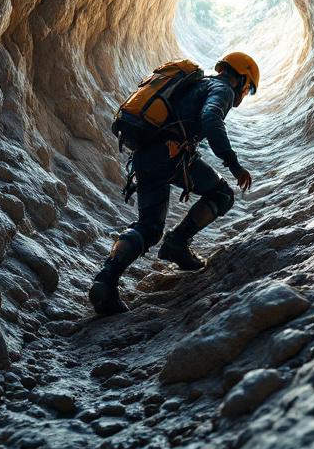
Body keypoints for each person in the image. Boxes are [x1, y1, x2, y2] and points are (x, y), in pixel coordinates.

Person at [88, 52, 260, 315]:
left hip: (146, 155)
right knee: (222, 194)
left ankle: (105, 280)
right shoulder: (221, 88)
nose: (244, 93)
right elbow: (211, 118)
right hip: (173, 157)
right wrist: (233, 163)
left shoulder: (196, 84)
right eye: (248, 89)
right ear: (242, 79)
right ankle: (177, 243)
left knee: (149, 227)